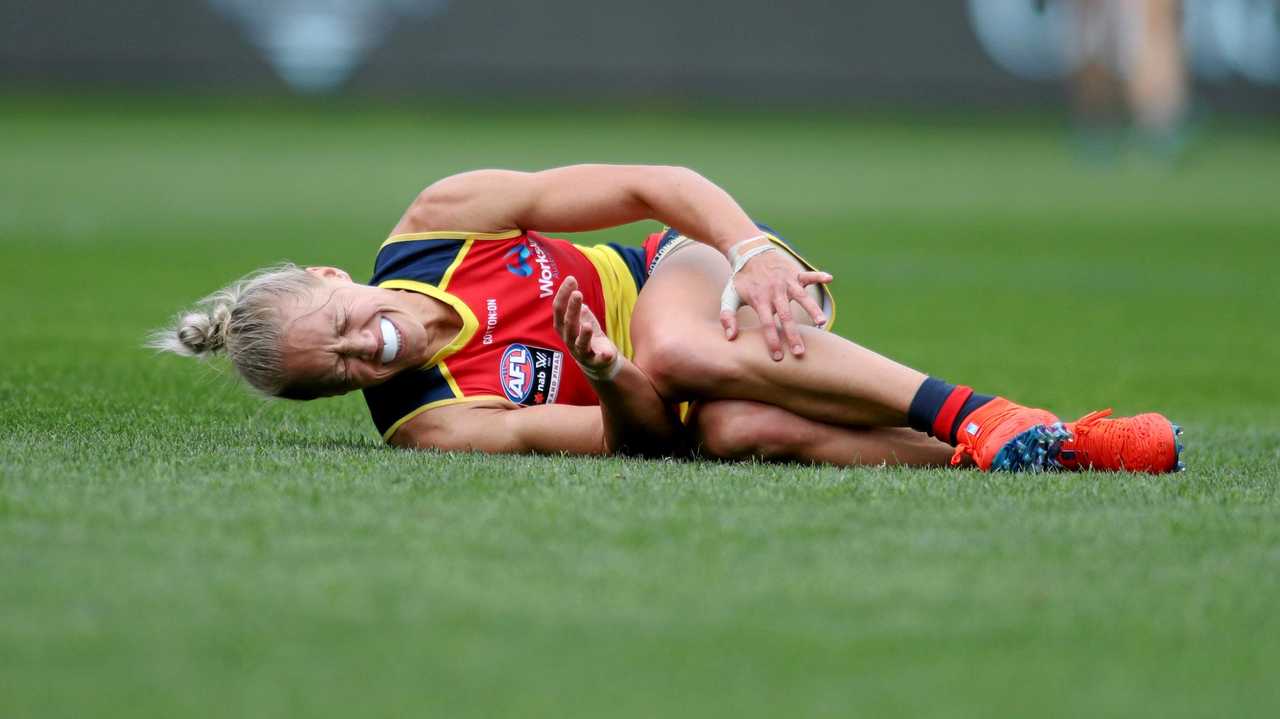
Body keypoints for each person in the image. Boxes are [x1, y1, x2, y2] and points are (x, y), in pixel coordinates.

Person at [152, 164, 1184, 472]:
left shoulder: (438, 223)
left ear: (338, 272)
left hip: (686, 270)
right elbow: (647, 444)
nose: (359, 350)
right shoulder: (429, 417)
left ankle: (978, 409)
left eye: (340, 322)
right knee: (736, 430)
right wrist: (603, 371)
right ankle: (1054, 445)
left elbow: (657, 180)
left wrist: (751, 248)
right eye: (336, 373)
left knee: (682, 342)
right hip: (672, 381)